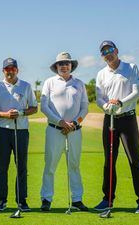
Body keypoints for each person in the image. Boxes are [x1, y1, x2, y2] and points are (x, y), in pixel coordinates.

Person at [94, 40, 139, 213]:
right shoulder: (101, 74)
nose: (107, 54)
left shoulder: (130, 67)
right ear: (102, 56)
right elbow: (99, 98)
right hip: (109, 119)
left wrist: (120, 103)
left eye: (110, 50)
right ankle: (107, 199)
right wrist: (106, 106)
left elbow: (136, 92)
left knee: (134, 159)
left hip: (127, 119)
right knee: (109, 161)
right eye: (104, 52)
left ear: (116, 50)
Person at [40, 52, 89, 211]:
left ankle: (76, 199)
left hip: (75, 131)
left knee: (74, 165)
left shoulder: (79, 84)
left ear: (71, 65)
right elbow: (44, 107)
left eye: (66, 63)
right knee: (50, 166)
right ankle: (46, 198)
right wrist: (60, 122)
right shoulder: (49, 82)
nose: (64, 66)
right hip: (55, 130)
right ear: (56, 67)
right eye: (60, 64)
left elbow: (84, 108)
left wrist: (74, 123)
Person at [0, 58, 38, 212]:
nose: (10, 71)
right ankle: (1, 200)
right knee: (3, 166)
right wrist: (5, 114)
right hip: (2, 131)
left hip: (21, 131)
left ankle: (21, 200)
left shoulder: (26, 86)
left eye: (13, 68)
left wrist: (21, 112)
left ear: (17, 70)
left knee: (21, 166)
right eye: (7, 69)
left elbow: (34, 108)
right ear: (3, 70)